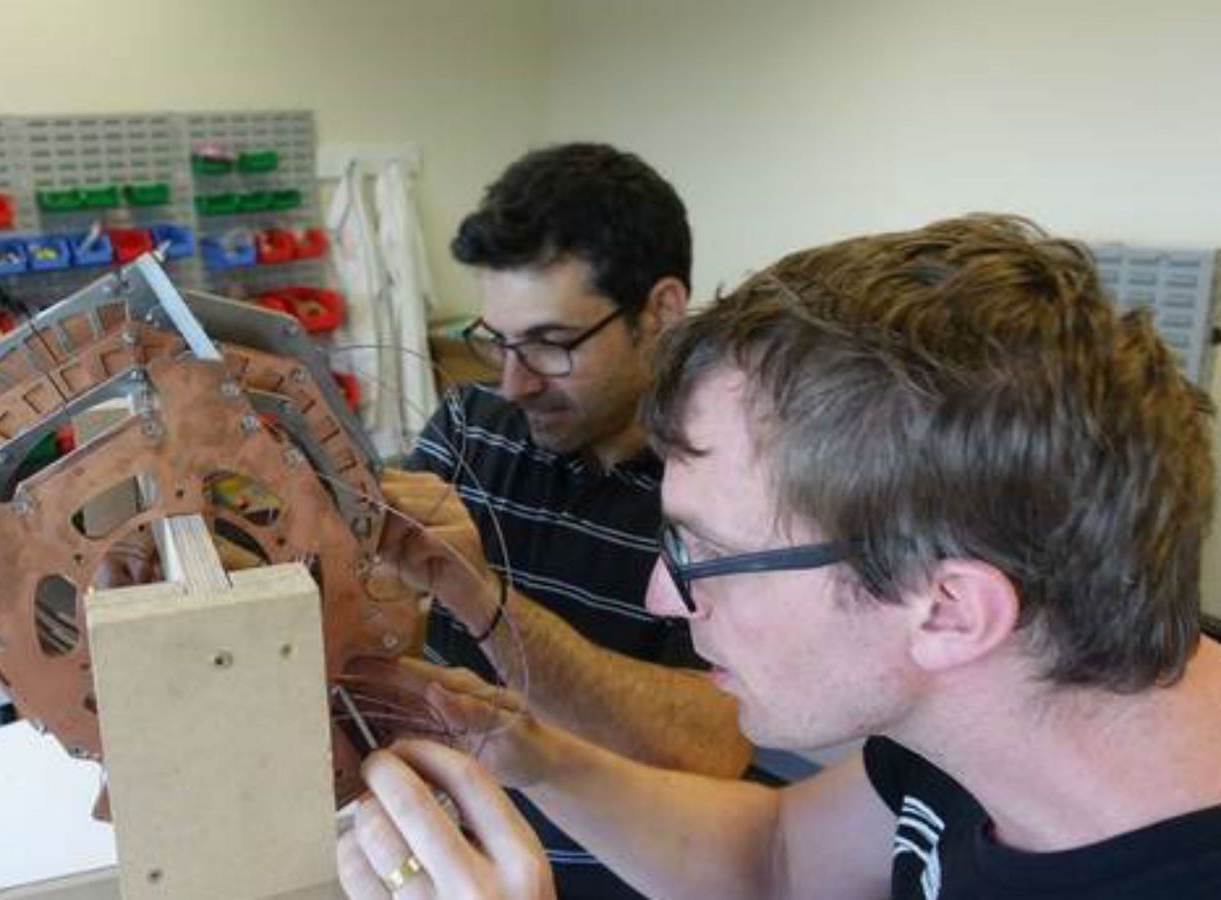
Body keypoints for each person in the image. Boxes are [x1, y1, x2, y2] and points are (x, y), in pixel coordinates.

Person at [345, 214, 1221, 898]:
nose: (663, 595)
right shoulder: (985, 712)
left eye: (706, 553)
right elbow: (779, 863)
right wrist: (531, 752)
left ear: (950, 611)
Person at [388, 143, 750, 897]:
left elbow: (718, 743)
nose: (514, 383)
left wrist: (479, 600)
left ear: (661, 310)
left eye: (551, 346)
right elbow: (374, 599)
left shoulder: (734, 484)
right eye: (497, 341)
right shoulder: (471, 424)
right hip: (432, 862)